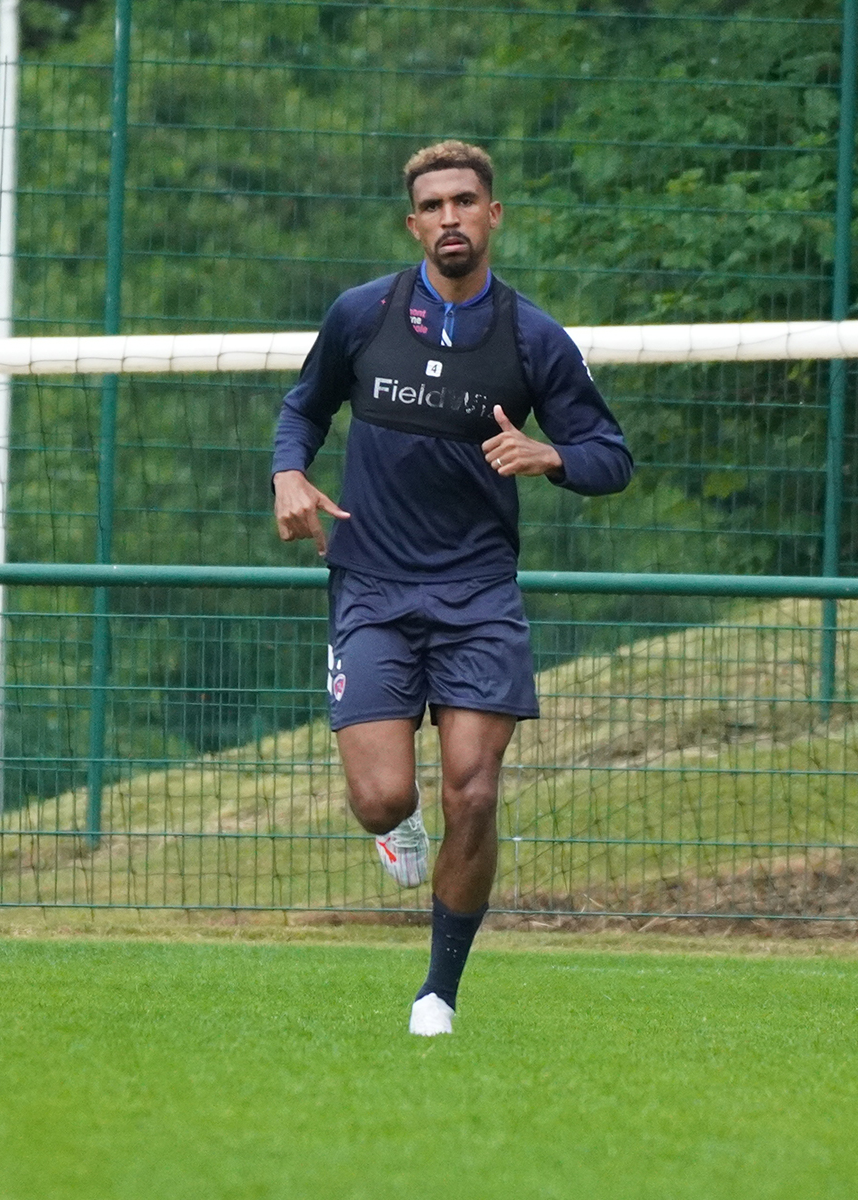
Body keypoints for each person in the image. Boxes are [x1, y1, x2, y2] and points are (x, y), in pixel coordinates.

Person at [271, 141, 632, 1035]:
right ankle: (398, 825)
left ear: (493, 214)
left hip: (477, 596)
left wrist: (550, 455)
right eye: (432, 206)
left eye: (465, 201)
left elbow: (610, 456)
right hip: (374, 587)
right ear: (413, 224)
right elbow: (302, 408)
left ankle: (439, 989)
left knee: (475, 789)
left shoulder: (533, 338)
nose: (450, 219)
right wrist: (288, 472)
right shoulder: (364, 314)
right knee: (382, 797)